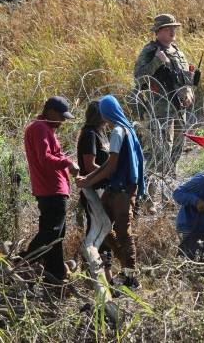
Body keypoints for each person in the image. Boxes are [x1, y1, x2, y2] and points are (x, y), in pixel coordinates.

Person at [76, 95, 145, 290]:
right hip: (119, 188)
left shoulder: (117, 131)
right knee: (104, 227)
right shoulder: (126, 129)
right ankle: (124, 265)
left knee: (123, 234)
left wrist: (88, 179)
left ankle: (131, 278)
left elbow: (111, 166)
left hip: (120, 190)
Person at [21, 96, 79, 283]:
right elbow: (45, 159)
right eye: (61, 117)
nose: (63, 121)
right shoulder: (39, 128)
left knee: (57, 235)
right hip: (50, 190)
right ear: (51, 112)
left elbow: (51, 156)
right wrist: (67, 162)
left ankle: (55, 276)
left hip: (52, 189)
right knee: (52, 233)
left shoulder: (45, 128)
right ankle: (24, 262)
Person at [134, 13, 195, 181]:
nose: (172, 31)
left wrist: (189, 93)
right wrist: (157, 61)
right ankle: (155, 183)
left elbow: (186, 79)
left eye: (174, 28)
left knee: (178, 144)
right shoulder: (150, 51)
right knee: (162, 147)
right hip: (160, 108)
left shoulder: (178, 52)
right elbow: (139, 77)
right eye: (169, 28)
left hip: (179, 106)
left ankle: (169, 179)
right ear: (158, 31)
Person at [76, 101, 112, 282]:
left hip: (101, 188)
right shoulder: (90, 135)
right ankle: (98, 276)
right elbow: (90, 166)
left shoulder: (100, 133)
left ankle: (98, 275)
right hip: (93, 190)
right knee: (100, 232)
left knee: (103, 231)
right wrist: (109, 174)